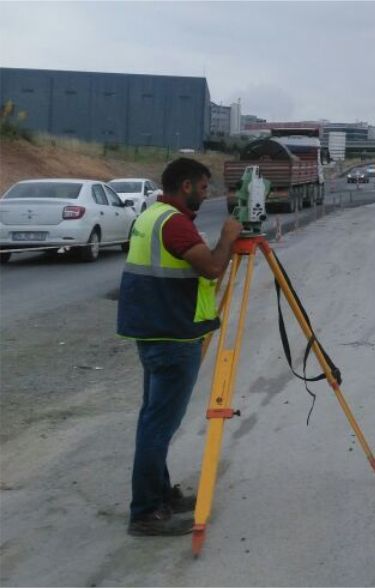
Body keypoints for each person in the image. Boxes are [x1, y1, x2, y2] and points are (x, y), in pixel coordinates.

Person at [117, 158, 242, 536]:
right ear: (185, 186)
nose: (207, 195)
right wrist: (229, 237)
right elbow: (213, 268)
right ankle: (145, 512)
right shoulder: (175, 224)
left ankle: (159, 495)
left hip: (154, 331)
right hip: (172, 336)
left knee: (153, 420)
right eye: (204, 188)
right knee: (158, 425)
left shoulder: (152, 215)